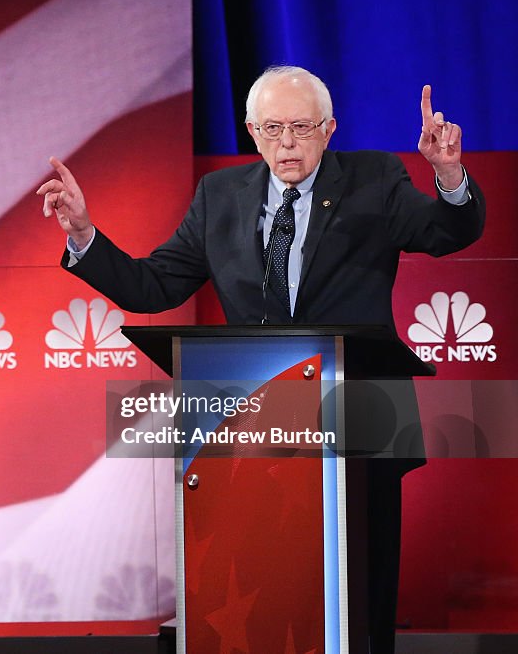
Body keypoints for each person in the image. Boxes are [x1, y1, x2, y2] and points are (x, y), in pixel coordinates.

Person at [37, 66, 485, 653]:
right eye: (272, 128)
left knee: (359, 593)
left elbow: (447, 231)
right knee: (259, 592)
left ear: (329, 128)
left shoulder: (374, 179)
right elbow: (153, 288)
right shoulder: (219, 197)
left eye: (301, 127)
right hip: (252, 424)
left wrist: (449, 176)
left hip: (362, 419)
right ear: (251, 130)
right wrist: (84, 235)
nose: (287, 142)